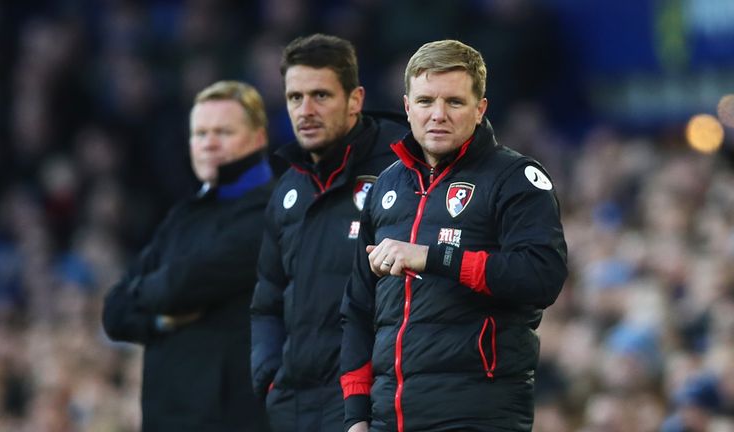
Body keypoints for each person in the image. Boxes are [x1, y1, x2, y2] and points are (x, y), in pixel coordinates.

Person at [340, 40, 568, 432]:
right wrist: (356, 416)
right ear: (408, 106)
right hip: (387, 419)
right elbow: (358, 310)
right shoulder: (385, 187)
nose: (438, 115)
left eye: (455, 102)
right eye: (426, 101)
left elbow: (541, 276)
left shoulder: (516, 180)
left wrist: (434, 257)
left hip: (478, 412)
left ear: (480, 109)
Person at [250, 33, 408, 432]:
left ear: (355, 99)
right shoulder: (288, 190)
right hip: (292, 405)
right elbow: (267, 300)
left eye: (320, 95)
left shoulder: (402, 170)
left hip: (371, 403)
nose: (305, 110)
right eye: (294, 98)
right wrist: (269, 377)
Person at [102, 81, 273, 432]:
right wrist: (160, 321)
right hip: (167, 417)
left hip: (233, 417)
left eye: (223, 132)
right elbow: (113, 313)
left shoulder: (271, 210)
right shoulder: (182, 216)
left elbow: (179, 286)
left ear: (258, 138)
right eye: (200, 133)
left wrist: (143, 293)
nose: (209, 143)